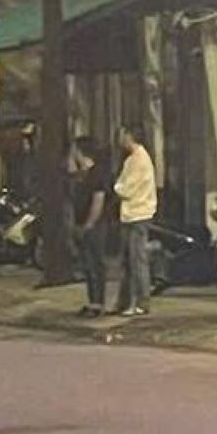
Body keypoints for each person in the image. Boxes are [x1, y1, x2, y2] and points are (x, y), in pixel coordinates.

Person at [113, 124, 157, 317]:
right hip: (131, 214)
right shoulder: (132, 159)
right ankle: (124, 302)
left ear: (130, 136)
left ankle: (141, 302)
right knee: (128, 261)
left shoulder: (139, 160)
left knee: (137, 260)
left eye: (123, 135)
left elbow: (126, 188)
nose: (120, 139)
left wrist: (116, 187)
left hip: (138, 214)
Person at [69, 137, 110, 317]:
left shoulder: (97, 174)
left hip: (95, 225)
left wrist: (89, 224)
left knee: (96, 264)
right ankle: (92, 300)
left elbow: (98, 201)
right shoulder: (83, 174)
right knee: (87, 264)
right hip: (82, 222)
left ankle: (98, 303)